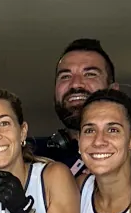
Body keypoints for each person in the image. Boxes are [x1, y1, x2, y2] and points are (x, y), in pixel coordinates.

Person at [44, 38, 115, 172]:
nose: (76, 84)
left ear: (113, 90)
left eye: (90, 74)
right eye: (65, 76)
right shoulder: (37, 159)